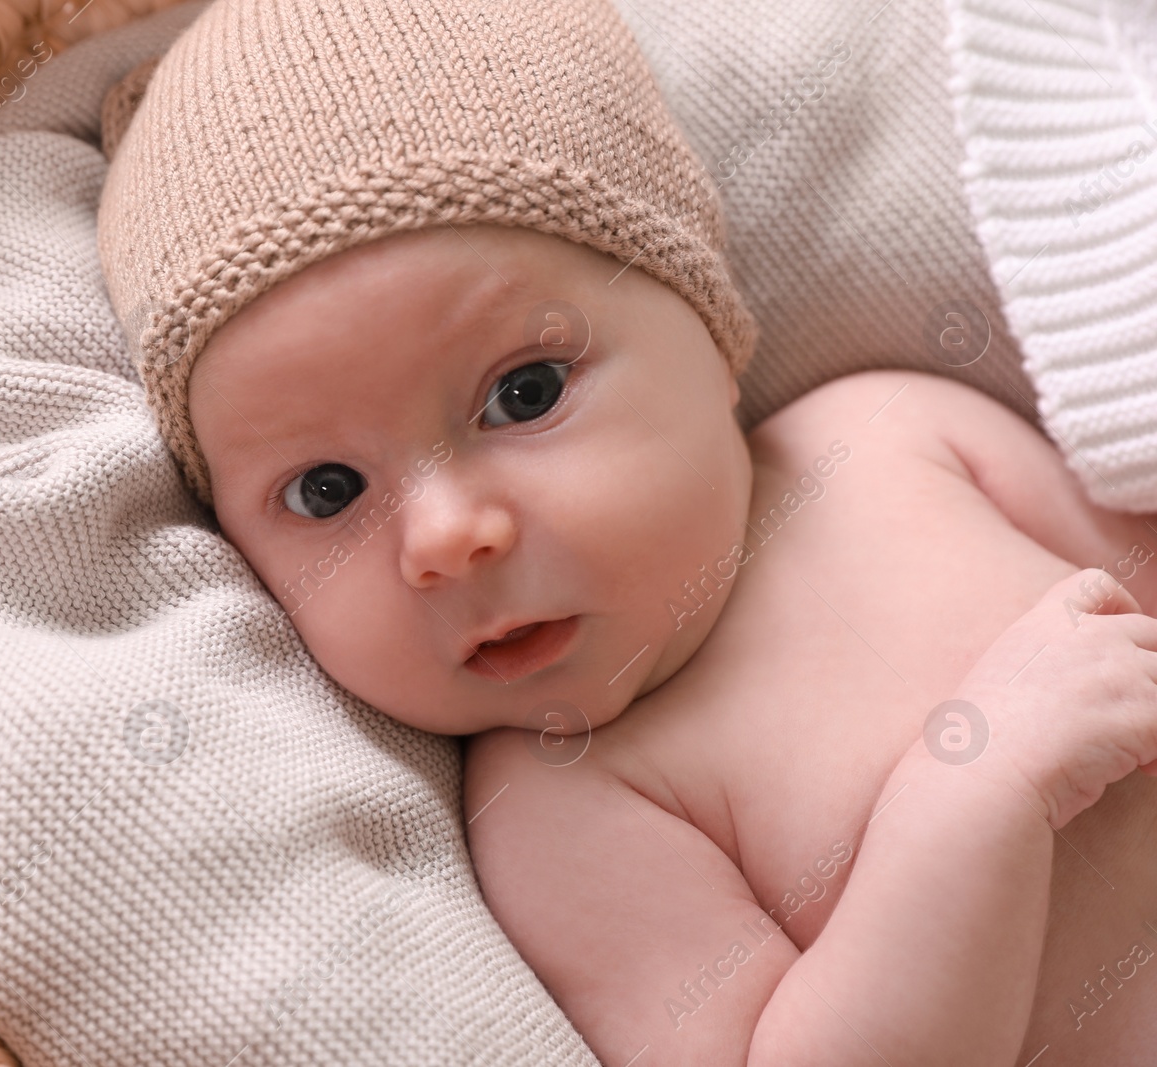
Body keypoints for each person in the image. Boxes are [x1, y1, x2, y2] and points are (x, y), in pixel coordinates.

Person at [97, 0, 1157, 1062]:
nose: (445, 534)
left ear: (709, 324)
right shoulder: (566, 804)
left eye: (523, 393)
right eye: (326, 490)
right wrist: (974, 793)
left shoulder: (894, 433)